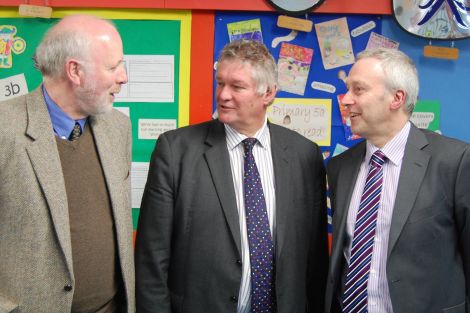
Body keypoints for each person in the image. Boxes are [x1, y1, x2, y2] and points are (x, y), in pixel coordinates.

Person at [135, 39, 328, 313]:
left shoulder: (304, 155)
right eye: (220, 83)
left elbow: (315, 258)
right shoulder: (176, 150)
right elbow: (151, 257)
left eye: (237, 86)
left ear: (269, 94)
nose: (223, 95)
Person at [0, 15, 135, 313]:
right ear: (74, 70)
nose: (123, 77)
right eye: (113, 67)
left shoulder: (118, 127)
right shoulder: (3, 127)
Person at [325, 48, 470, 313]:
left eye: (358, 90)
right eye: (347, 90)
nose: (345, 100)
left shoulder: (454, 161)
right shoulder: (339, 167)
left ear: (396, 98)